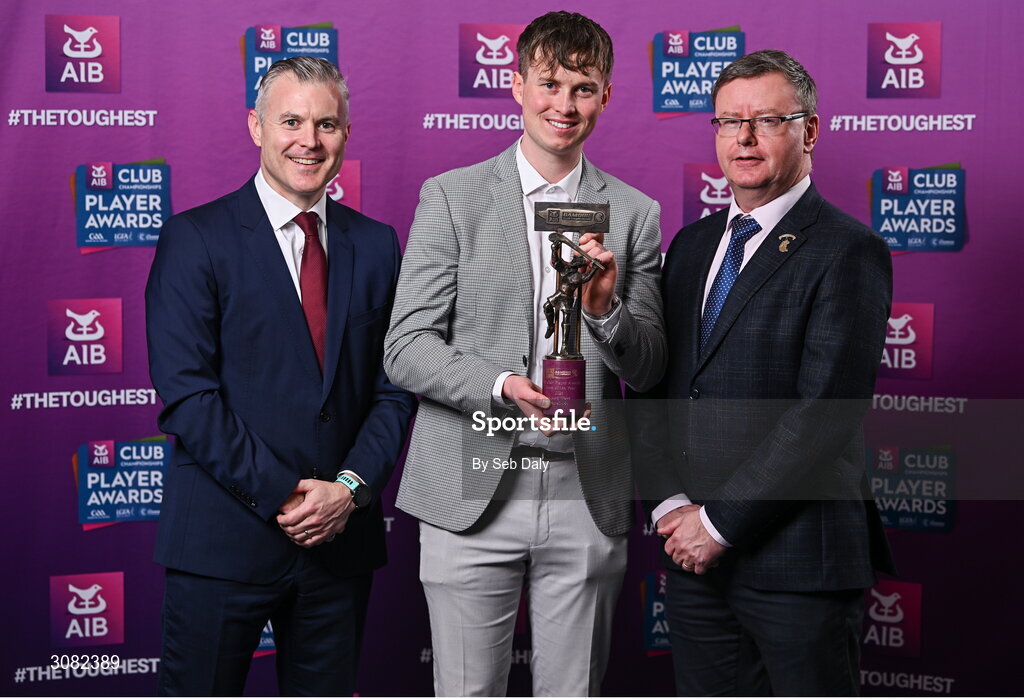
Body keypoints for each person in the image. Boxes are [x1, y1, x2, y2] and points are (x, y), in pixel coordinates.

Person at [384, 11, 665, 696]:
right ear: (516, 86)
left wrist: (604, 309)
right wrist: (500, 384)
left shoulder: (634, 213)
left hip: (585, 488)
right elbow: (406, 346)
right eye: (549, 83)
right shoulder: (451, 197)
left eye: (583, 88)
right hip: (472, 475)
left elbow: (650, 366)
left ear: (605, 96)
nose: (564, 104)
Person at [145, 56, 415, 696]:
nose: (309, 141)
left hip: (339, 544)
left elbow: (395, 386)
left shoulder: (377, 244)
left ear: (346, 133)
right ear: (255, 126)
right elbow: (188, 396)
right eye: (291, 121)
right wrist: (285, 495)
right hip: (222, 541)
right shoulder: (195, 238)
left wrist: (348, 490)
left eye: (326, 124)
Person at [631, 49, 896, 696]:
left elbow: (822, 416)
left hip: (800, 564)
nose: (744, 138)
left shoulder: (848, 249)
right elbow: (655, 388)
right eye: (729, 121)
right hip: (693, 560)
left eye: (767, 120)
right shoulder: (691, 245)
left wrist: (718, 524)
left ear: (809, 130)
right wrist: (670, 506)